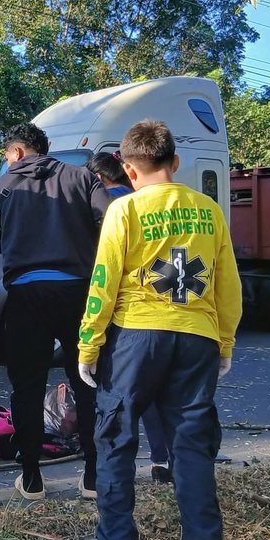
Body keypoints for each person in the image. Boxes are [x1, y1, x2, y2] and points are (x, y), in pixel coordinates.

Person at [77, 120, 242, 540]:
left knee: (116, 440)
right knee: (192, 449)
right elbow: (228, 283)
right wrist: (224, 341)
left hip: (135, 338)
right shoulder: (209, 210)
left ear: (129, 170)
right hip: (197, 337)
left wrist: (89, 344)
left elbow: (103, 282)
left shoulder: (125, 210)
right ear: (176, 162)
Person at [0, 122, 112, 501]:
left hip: (25, 294)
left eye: (8, 156)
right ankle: (93, 477)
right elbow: (110, 225)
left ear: (17, 152)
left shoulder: (2, 185)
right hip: (78, 292)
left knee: (27, 387)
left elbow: (0, 241)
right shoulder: (83, 178)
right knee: (87, 382)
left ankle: (31, 479)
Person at [87, 151, 173, 484]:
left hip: (126, 316)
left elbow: (105, 271)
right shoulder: (154, 201)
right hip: (171, 309)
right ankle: (165, 459)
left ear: (98, 178)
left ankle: (114, 476)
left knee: (122, 397)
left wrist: (89, 339)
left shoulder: (112, 206)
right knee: (164, 392)